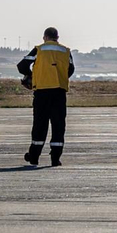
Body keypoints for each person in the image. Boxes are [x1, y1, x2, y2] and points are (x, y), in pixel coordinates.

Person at [18, 28, 73, 166]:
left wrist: (32, 75)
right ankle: (55, 158)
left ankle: (34, 156)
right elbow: (71, 69)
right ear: (57, 37)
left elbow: (22, 66)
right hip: (59, 92)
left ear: (45, 37)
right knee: (58, 125)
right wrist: (58, 77)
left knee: (40, 125)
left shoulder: (39, 49)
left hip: (42, 92)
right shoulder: (66, 51)